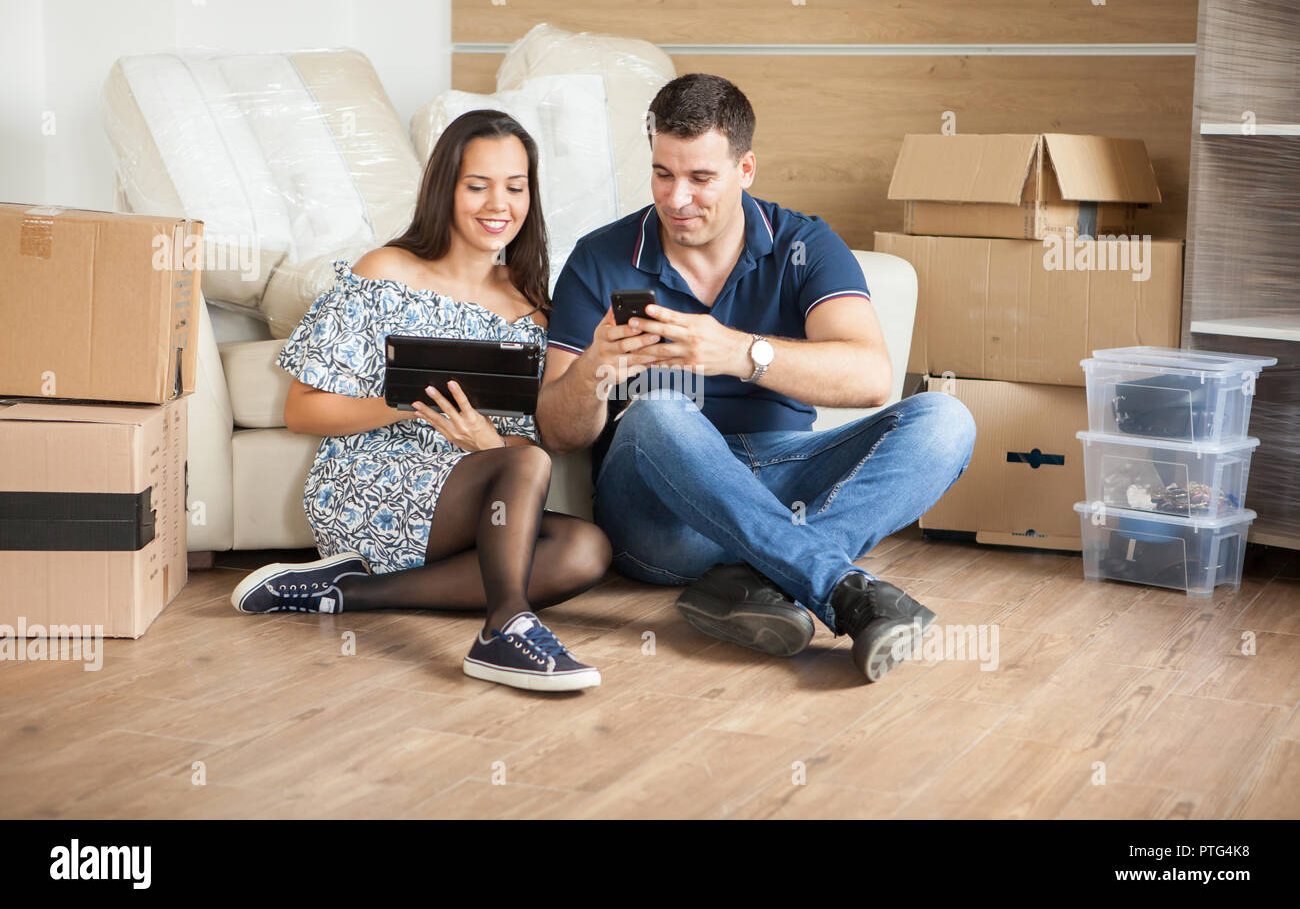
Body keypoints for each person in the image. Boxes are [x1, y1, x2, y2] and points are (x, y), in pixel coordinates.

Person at [536, 74, 976, 683]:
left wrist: (741, 353)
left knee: (945, 418)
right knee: (660, 410)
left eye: (700, 178)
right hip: (666, 520)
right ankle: (835, 584)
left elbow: (873, 377)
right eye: (663, 174)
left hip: (784, 482)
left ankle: (760, 576)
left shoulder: (804, 244)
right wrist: (592, 370)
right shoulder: (600, 256)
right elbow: (558, 434)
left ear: (745, 169)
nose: (677, 198)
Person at [230, 110, 612, 693]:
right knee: (526, 463)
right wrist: (411, 402)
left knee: (585, 549)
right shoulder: (386, 272)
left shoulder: (536, 303)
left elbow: (532, 441)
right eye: (477, 186)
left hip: (475, 499)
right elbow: (302, 410)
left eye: (515, 187)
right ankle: (504, 627)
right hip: (373, 488)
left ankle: (345, 590)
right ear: (445, 189)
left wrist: (490, 443)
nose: (498, 205)